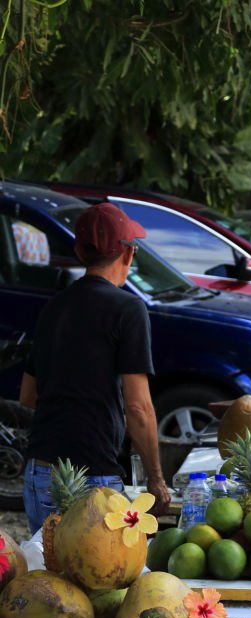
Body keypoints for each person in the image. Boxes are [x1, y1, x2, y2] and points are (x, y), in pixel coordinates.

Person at [20, 202, 171, 534]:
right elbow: (138, 406)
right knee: (100, 584)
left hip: (40, 471)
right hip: (94, 476)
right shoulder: (129, 309)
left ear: (79, 251)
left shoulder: (53, 308)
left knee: (46, 583)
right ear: (128, 255)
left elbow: (28, 396)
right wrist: (156, 481)